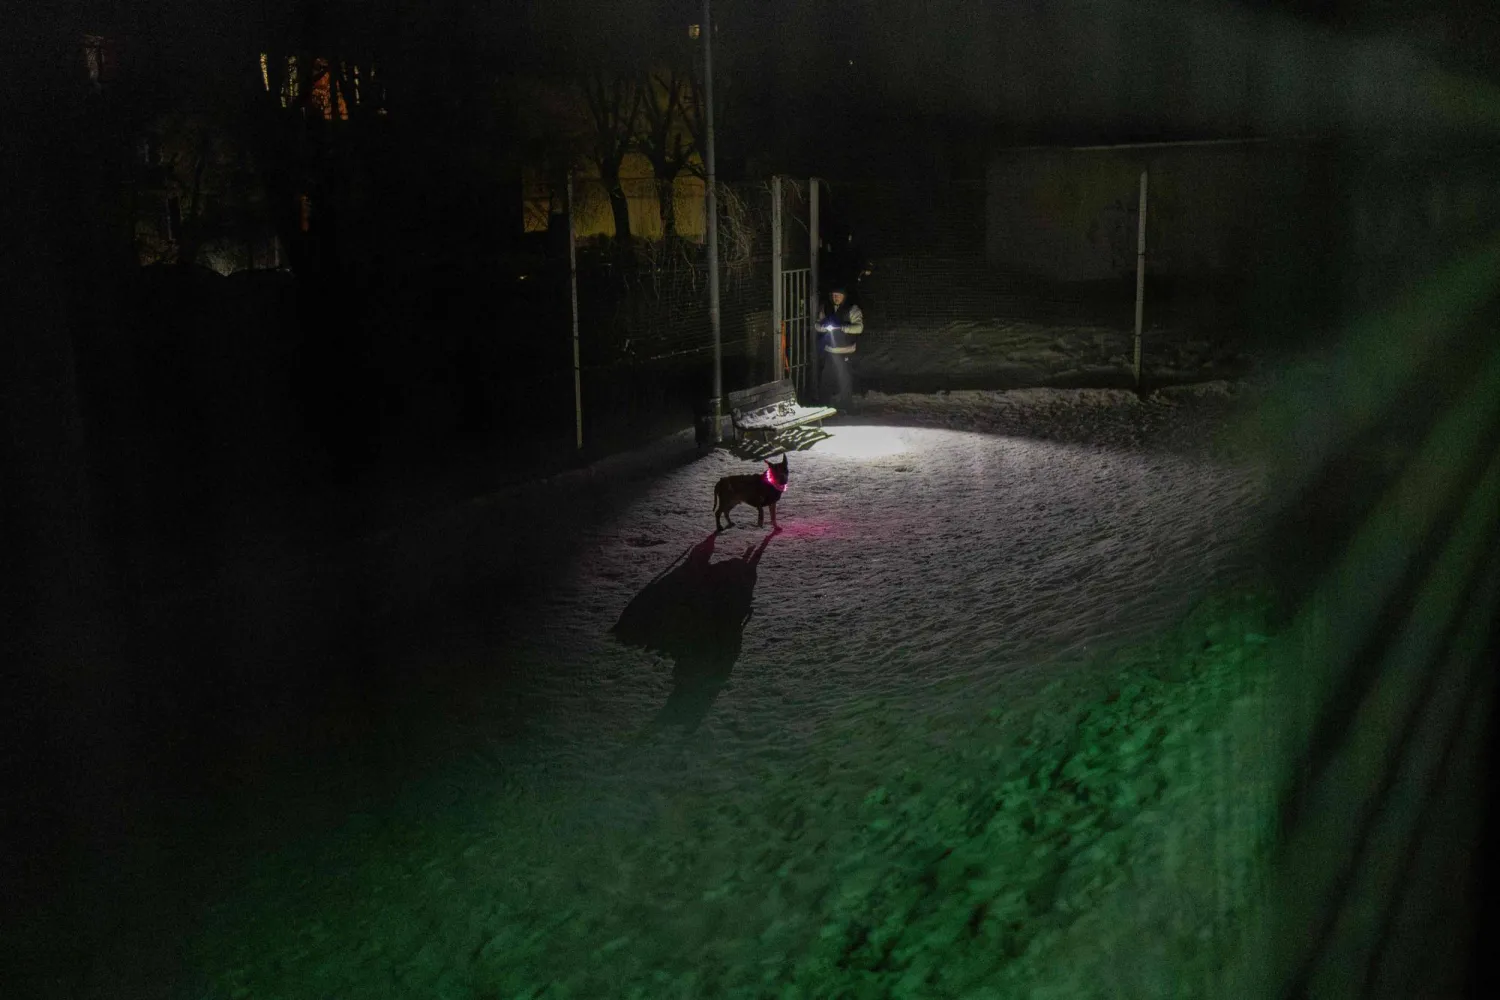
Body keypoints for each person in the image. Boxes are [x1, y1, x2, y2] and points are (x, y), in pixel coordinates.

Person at [815, 285, 864, 409]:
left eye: (838, 295)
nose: (835, 298)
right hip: (830, 350)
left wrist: (843, 328)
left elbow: (859, 328)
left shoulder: (852, 309)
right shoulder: (826, 308)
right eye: (833, 295)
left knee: (845, 379)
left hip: (845, 350)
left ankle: (846, 404)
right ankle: (824, 404)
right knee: (826, 378)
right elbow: (817, 324)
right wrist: (823, 327)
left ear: (844, 296)